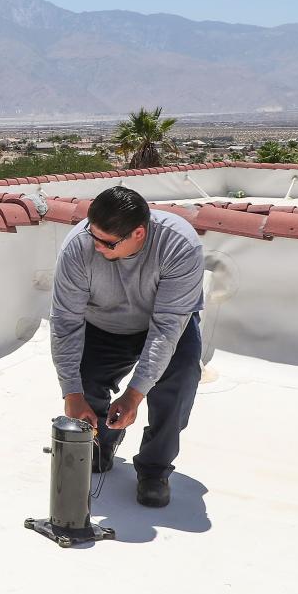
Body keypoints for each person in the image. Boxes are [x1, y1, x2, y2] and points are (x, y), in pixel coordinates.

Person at [50, 186, 204, 508]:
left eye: (107, 243)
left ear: (138, 233)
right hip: (103, 324)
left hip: (163, 325)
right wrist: (72, 394)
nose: (96, 246)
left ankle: (154, 469)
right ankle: (100, 445)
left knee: (180, 380)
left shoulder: (180, 245)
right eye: (93, 235)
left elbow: (166, 329)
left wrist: (135, 394)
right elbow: (65, 323)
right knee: (84, 380)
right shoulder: (77, 248)